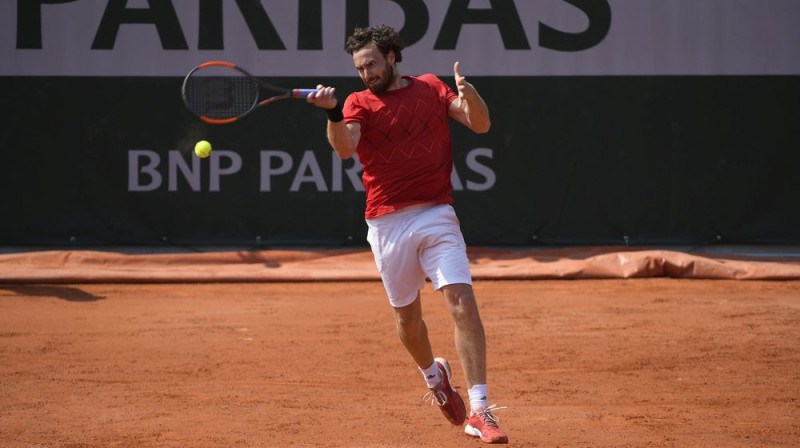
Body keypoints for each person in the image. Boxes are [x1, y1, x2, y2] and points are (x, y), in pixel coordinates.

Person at [307, 25, 508, 444]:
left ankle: (480, 410)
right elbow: (345, 148)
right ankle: (435, 378)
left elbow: (481, 124)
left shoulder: (432, 88)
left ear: (393, 57)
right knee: (408, 320)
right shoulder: (358, 102)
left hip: (436, 213)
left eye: (373, 64)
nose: (366, 74)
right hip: (386, 222)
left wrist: (469, 94)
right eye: (360, 68)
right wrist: (331, 113)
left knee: (462, 303)